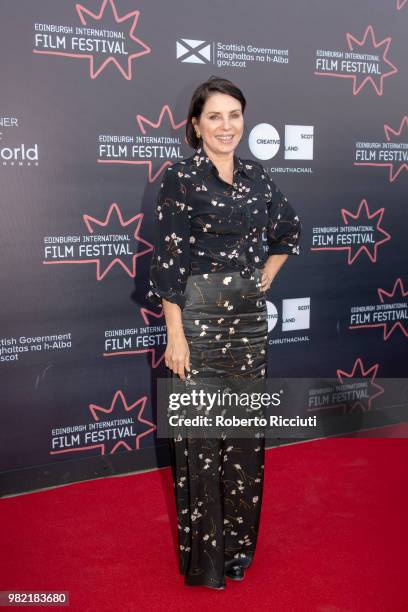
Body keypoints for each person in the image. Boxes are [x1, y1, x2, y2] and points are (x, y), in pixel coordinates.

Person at [146, 77, 301, 589]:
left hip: (249, 327)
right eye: (215, 116)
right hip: (196, 323)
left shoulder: (258, 177)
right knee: (200, 440)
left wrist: (266, 277)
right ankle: (206, 562)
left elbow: (288, 231)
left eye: (234, 115)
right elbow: (168, 267)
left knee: (244, 439)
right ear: (196, 125)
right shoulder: (180, 179)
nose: (226, 125)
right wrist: (176, 335)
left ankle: (239, 550)